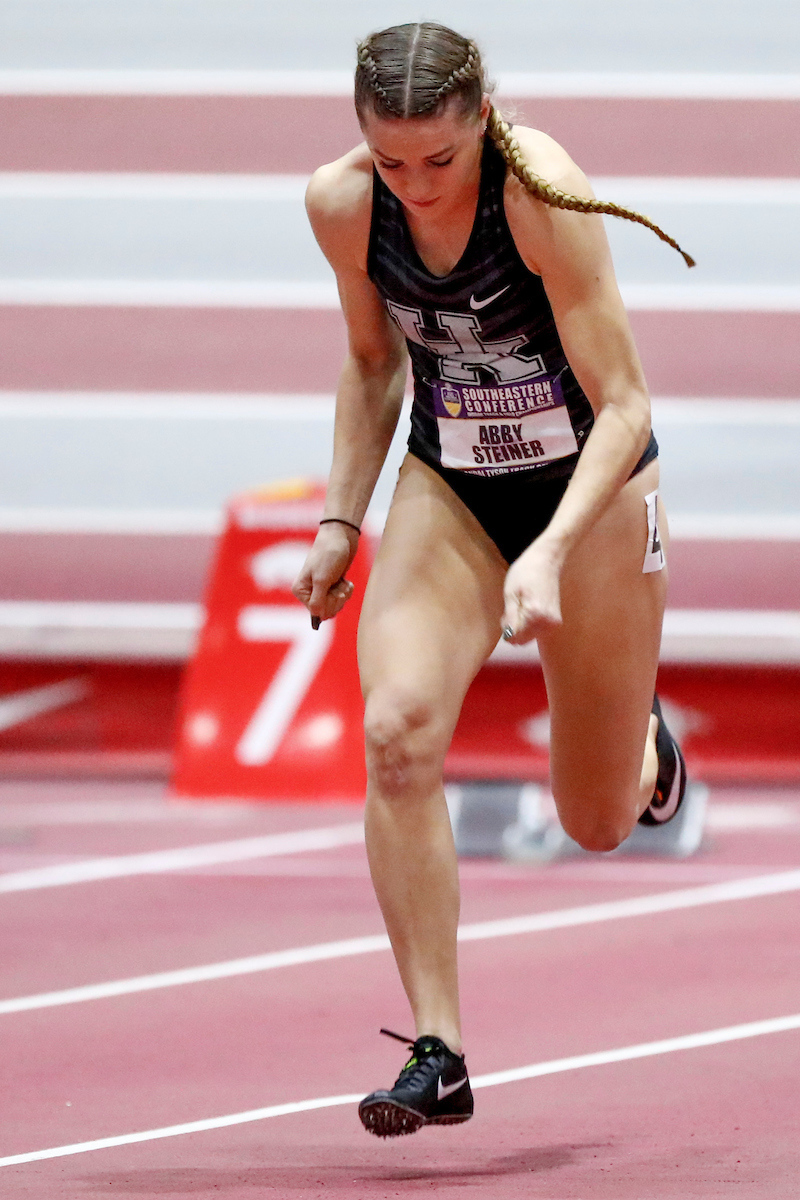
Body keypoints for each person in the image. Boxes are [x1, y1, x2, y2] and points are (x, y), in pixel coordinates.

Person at [293, 21, 691, 1139]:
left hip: (593, 492)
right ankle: (440, 1049)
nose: (414, 188)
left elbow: (624, 406)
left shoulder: (538, 194)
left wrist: (551, 552)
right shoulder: (340, 204)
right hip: (450, 479)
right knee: (397, 733)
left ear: (483, 123)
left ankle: (645, 747)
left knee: (598, 819)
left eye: (438, 161)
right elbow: (375, 363)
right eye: (390, 162)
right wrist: (338, 519)